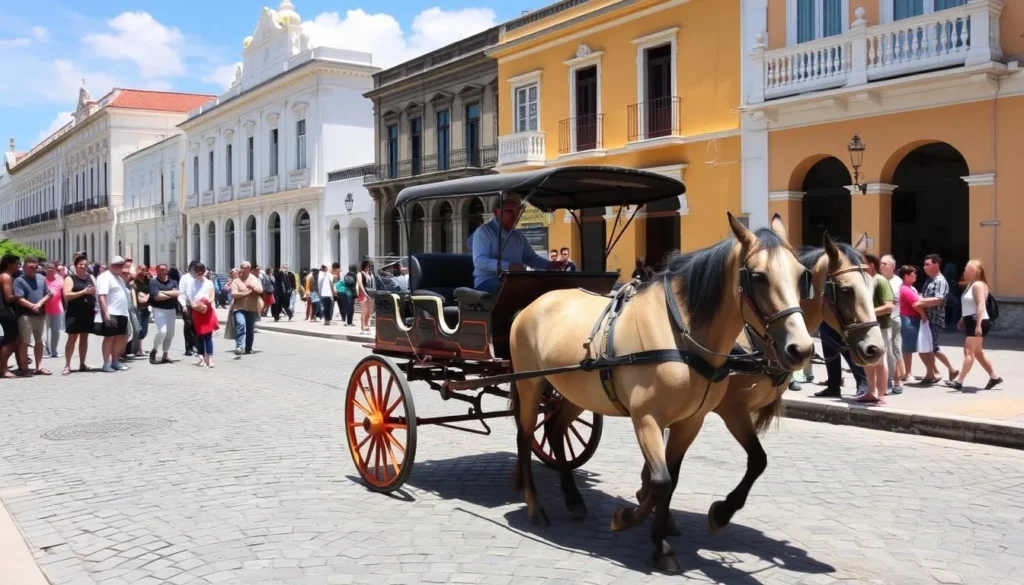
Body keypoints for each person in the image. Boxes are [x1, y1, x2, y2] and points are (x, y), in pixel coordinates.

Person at [470, 196, 564, 293]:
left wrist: (549, 265)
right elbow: (479, 261)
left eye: (517, 212)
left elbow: (530, 258)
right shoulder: (484, 232)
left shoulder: (518, 235)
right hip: (488, 281)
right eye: (509, 211)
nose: (514, 216)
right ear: (497, 212)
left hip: (513, 280)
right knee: (518, 289)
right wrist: (509, 266)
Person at [951, 260, 1002, 391]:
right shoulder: (970, 285)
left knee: (968, 352)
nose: (964, 272)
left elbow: (980, 304)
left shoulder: (978, 285)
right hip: (971, 320)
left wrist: (978, 325)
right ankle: (994, 377)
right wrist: (962, 319)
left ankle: (959, 380)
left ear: (975, 271)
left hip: (977, 321)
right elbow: (969, 305)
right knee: (977, 352)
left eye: (967, 269)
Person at [916, 254, 958, 384]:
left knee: (932, 347)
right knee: (929, 347)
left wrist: (920, 301)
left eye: (927, 264)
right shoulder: (929, 280)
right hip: (927, 320)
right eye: (924, 264)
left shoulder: (940, 281)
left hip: (935, 319)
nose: (924, 267)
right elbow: (924, 295)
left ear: (936, 265)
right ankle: (935, 372)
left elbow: (938, 300)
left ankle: (950, 369)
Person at [857, 254, 893, 404]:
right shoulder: (864, 282)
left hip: (881, 327)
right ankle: (871, 392)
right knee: (868, 361)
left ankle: (882, 393)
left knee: (880, 361)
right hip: (866, 328)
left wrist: (868, 313)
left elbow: (889, 306)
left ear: (871, 265)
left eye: (862, 263)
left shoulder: (880, 281)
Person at [13, 256, 53, 376]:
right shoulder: (19, 281)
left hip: (40, 315)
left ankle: (39, 367)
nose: (33, 269)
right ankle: (24, 368)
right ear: (24, 267)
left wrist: (40, 303)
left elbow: (49, 293)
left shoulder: (41, 278)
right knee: (24, 342)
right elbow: (19, 299)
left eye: (35, 267)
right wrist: (32, 306)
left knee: (40, 341)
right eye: (30, 267)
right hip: (26, 316)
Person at [94, 256, 132, 373]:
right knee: (110, 337)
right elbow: (102, 296)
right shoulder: (105, 277)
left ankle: (115, 361)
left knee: (121, 337)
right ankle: (106, 363)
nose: (121, 268)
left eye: (122, 265)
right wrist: (105, 312)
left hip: (122, 312)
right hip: (112, 312)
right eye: (119, 265)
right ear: (112, 265)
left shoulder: (119, 278)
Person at [62, 255, 96, 375]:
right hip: (74, 312)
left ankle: (82, 363)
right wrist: (83, 292)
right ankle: (67, 365)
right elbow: (66, 295)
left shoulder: (90, 277)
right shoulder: (70, 278)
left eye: (85, 265)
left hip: (88, 311)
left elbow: (96, 290)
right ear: (76, 265)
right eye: (81, 264)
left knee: (84, 338)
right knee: (72, 338)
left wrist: (93, 292)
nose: (83, 267)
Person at [879, 255, 904, 394]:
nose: (881, 265)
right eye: (880, 263)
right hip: (881, 321)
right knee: (884, 351)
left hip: (894, 319)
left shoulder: (898, 282)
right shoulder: (877, 280)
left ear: (893, 267)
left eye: (885, 263)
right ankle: (885, 382)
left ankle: (897, 381)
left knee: (895, 350)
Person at [898, 265, 927, 384]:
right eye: (912, 274)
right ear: (906, 276)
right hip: (908, 319)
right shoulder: (905, 289)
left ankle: (907, 372)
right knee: (908, 347)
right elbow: (916, 303)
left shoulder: (910, 288)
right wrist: (924, 315)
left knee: (910, 346)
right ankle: (907, 373)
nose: (915, 275)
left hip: (912, 318)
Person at [185, 263, 217, 368]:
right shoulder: (191, 283)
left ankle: (210, 358)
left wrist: (206, 302)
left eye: (201, 271)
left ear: (204, 272)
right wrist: (196, 305)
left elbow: (212, 297)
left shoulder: (209, 283)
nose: (199, 274)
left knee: (208, 335)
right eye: (197, 271)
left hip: (207, 310)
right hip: (197, 311)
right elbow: (190, 298)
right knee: (199, 335)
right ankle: (202, 357)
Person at [148, 263, 180, 365]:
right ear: (157, 271)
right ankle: (154, 349)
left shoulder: (172, 281)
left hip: (171, 309)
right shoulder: (153, 282)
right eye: (161, 269)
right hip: (159, 309)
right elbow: (157, 297)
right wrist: (170, 294)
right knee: (162, 331)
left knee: (170, 334)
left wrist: (163, 293)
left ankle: (165, 355)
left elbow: (177, 293)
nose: (164, 271)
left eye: (165, 269)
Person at [230, 261, 263, 355]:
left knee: (250, 329)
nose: (243, 269)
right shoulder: (236, 280)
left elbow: (260, 290)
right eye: (242, 267)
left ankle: (248, 348)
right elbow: (234, 294)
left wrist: (253, 288)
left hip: (251, 308)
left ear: (249, 269)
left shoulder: (254, 279)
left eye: (246, 267)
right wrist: (247, 293)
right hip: (239, 308)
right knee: (241, 324)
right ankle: (239, 346)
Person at [43, 262, 65, 359]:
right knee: (45, 332)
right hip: (44, 309)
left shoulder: (60, 279)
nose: (50, 269)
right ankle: (46, 351)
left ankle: (54, 350)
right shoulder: (42, 280)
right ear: (45, 269)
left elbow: (64, 292)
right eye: (48, 268)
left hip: (57, 309)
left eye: (52, 268)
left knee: (56, 331)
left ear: (56, 270)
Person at [177, 261, 199, 357]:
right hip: (187, 304)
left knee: (197, 326)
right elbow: (181, 292)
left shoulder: (199, 277)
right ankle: (189, 348)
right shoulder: (185, 277)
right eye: (194, 268)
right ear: (190, 268)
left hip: (198, 305)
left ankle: (197, 345)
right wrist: (183, 305)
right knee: (189, 324)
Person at [131, 266, 151, 357]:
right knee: (138, 330)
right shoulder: (134, 282)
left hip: (146, 308)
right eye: (142, 270)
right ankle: (138, 349)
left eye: (145, 270)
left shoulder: (148, 281)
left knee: (144, 331)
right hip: (137, 308)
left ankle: (133, 348)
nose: (144, 272)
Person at [357, 260, 374, 334]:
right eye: (367, 266)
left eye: (370, 266)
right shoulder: (360, 274)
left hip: (370, 293)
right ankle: (363, 327)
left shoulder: (371, 274)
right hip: (363, 293)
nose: (369, 268)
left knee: (369, 311)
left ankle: (367, 326)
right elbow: (360, 284)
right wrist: (364, 293)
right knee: (364, 311)